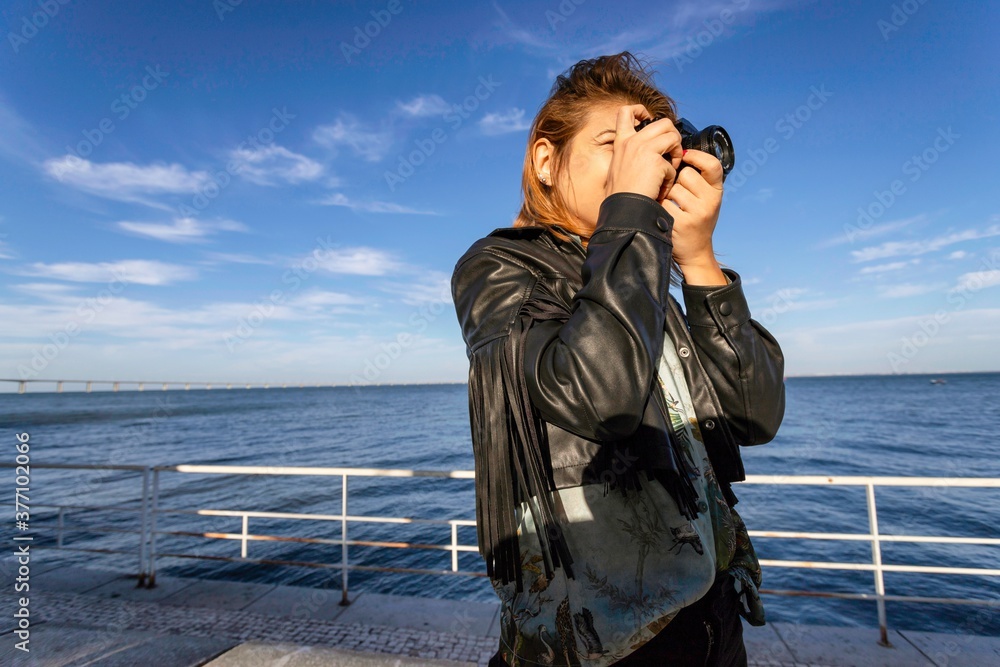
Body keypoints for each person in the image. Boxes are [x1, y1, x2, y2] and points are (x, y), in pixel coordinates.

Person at [451, 51, 785, 666]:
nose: (637, 163)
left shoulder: (639, 272)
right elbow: (596, 397)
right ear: (546, 161)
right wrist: (633, 211)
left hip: (711, 622)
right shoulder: (498, 267)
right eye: (612, 142)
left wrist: (700, 259)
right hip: (596, 646)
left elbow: (754, 415)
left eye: (649, 149)